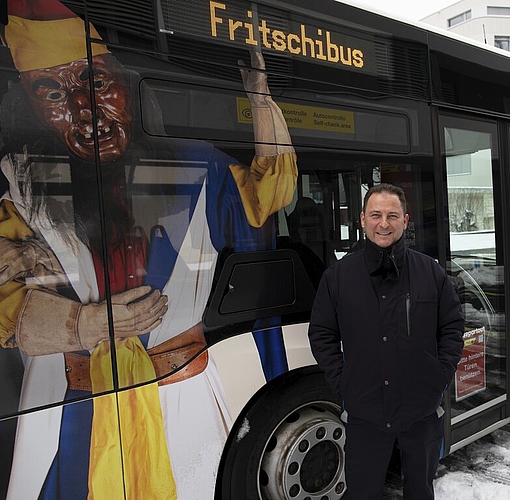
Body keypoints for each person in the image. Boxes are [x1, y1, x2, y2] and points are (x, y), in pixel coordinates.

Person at [0, 0, 297, 498]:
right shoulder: (22, 191)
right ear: (31, 108)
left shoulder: (199, 168)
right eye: (51, 93)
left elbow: (272, 191)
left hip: (186, 398)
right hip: (75, 406)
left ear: (127, 85)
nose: (85, 112)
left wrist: (260, 99)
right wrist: (83, 324)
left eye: (95, 84)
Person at [308, 183, 464, 499]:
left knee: (420, 490)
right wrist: (344, 383)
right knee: (363, 492)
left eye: (392, 215)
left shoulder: (430, 273)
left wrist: (440, 376)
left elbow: (452, 326)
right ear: (362, 219)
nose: (384, 223)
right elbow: (322, 333)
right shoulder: (338, 276)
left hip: (420, 412)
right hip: (365, 414)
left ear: (405, 221)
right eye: (376, 215)